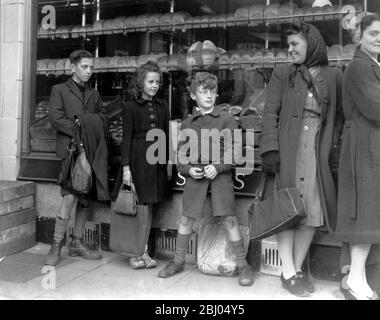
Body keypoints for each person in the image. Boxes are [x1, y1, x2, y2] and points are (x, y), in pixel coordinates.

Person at [259, 22, 343, 297]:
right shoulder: (282, 73)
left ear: (312, 45)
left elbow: (339, 117)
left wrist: (334, 148)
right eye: (288, 44)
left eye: (295, 44)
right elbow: (270, 112)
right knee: (288, 208)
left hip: (316, 151)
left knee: (311, 210)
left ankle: (293, 269)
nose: (290, 49)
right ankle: (288, 270)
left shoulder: (333, 76)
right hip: (288, 149)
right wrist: (270, 150)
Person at [157, 72, 254, 286]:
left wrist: (218, 167)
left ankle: (243, 265)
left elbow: (236, 153)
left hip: (220, 176)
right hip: (196, 176)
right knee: (186, 219)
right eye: (203, 91)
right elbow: (180, 158)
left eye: (212, 91)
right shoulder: (187, 124)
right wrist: (189, 170)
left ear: (217, 93)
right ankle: (179, 260)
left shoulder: (227, 119)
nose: (208, 95)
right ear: (193, 96)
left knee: (229, 219)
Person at [335, 14, 380, 300]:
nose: (379, 39)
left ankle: (355, 278)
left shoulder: (376, 67)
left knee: (369, 217)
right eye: (373, 33)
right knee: (365, 217)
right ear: (359, 35)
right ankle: (355, 281)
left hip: (375, 147)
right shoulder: (359, 68)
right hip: (364, 147)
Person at [46, 49, 109, 266]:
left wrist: (86, 122)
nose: (88, 71)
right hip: (70, 154)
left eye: (91, 67)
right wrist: (80, 127)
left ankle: (77, 242)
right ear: (72, 67)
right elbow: (55, 119)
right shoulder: (59, 90)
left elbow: (103, 118)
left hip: (89, 152)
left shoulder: (95, 94)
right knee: (70, 197)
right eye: (84, 67)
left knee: (84, 199)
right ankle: (56, 246)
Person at [112, 61, 171, 269]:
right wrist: (126, 168)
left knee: (149, 207)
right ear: (141, 82)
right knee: (135, 209)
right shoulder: (130, 107)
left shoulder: (163, 106)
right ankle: (133, 251)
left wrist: (166, 165)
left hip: (155, 164)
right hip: (137, 162)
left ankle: (144, 250)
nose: (154, 85)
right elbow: (126, 139)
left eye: (157, 82)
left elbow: (166, 136)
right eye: (150, 81)